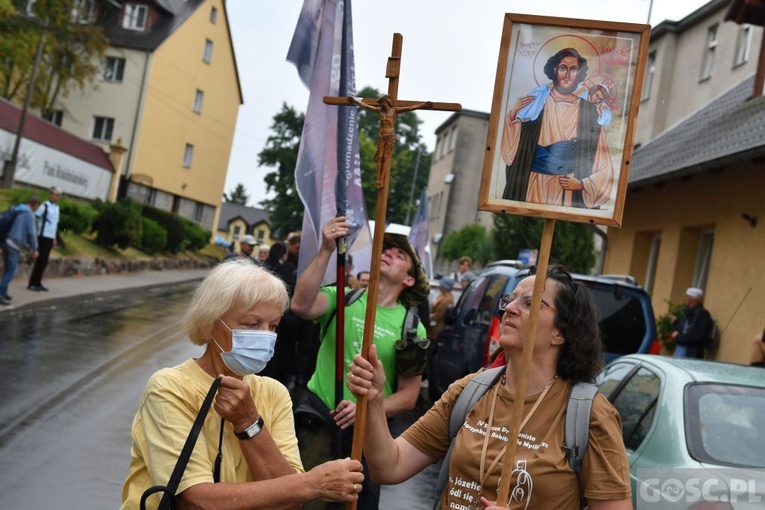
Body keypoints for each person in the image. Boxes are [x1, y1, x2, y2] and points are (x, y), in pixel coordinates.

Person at [347, 264, 632, 509]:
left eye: (530, 303)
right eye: (511, 299)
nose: (509, 308)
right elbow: (389, 465)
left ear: (561, 332)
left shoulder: (591, 416)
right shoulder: (470, 391)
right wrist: (373, 401)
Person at [120, 259, 364, 509]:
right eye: (251, 324)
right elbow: (194, 501)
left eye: (273, 326)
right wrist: (310, 484)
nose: (265, 336)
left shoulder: (274, 393)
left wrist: (249, 424)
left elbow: (288, 504)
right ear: (208, 324)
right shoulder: (169, 387)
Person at [290, 216, 430, 510]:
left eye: (400, 254)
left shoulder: (411, 327)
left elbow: (409, 396)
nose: (389, 252)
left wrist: (364, 408)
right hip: (319, 423)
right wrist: (326, 249)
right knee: (305, 502)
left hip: (368, 438)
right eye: (386, 249)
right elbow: (300, 305)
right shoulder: (344, 298)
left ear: (409, 279)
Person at [500, 47, 615, 209]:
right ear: (554, 70)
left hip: (566, 188)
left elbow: (604, 165)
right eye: (563, 68)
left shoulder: (589, 113)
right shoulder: (536, 103)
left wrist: (583, 184)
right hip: (532, 184)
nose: (568, 75)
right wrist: (513, 113)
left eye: (573, 69)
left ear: (579, 74)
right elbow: (509, 153)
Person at [1, 195, 40, 306]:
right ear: (36, 205)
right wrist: (35, 248)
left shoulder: (17, 209)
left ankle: (3, 292)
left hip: (6, 242)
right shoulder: (29, 215)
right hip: (14, 245)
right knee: (11, 271)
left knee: (7, 269)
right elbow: (32, 234)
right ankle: (0, 294)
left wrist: (27, 247)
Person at [28, 186, 61, 292]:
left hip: (50, 237)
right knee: (40, 260)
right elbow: (35, 216)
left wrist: (54, 238)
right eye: (56, 195)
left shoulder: (56, 208)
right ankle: (32, 283)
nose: (57, 197)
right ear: (50, 194)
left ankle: (38, 282)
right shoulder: (45, 206)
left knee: (44, 261)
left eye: (59, 195)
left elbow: (55, 224)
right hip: (43, 235)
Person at [671, 287, 714, 359]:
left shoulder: (701, 314)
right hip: (684, 354)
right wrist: (676, 322)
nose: (685, 299)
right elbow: (687, 330)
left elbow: (693, 337)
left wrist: (677, 336)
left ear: (692, 298)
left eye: (687, 296)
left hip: (690, 356)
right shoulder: (692, 313)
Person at [427, 276, 455, 341]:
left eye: (441, 285)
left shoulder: (447, 300)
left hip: (436, 329)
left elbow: (437, 316)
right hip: (432, 327)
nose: (439, 286)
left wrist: (424, 317)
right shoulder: (442, 295)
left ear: (444, 287)